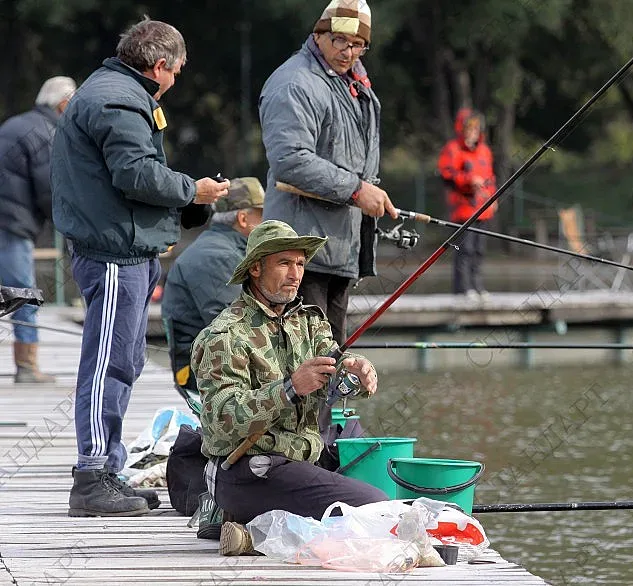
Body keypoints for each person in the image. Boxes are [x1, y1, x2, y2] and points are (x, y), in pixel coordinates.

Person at [51, 17, 229, 517]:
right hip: (112, 255)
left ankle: (108, 468)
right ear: (159, 65)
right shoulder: (119, 98)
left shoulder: (115, 90)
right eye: (177, 72)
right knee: (107, 361)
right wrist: (194, 191)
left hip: (126, 250)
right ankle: (90, 476)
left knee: (124, 362)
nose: (175, 82)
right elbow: (135, 173)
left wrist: (183, 197)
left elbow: (133, 170)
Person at [191, 220, 385, 556]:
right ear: (255, 268)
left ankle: (256, 535)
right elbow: (220, 419)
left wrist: (355, 371)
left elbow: (334, 364)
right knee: (375, 506)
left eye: (299, 264)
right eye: (284, 263)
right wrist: (289, 388)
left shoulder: (308, 320)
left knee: (376, 476)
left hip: (304, 459)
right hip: (250, 470)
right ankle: (259, 529)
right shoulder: (224, 336)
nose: (295, 274)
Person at [259, 0, 397, 348]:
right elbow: (289, 159)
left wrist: (365, 192)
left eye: (358, 45)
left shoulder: (353, 82)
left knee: (328, 367)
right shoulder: (295, 82)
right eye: (339, 40)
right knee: (303, 364)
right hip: (300, 253)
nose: (348, 52)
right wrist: (356, 190)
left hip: (338, 250)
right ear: (318, 35)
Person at [161, 177, 265, 412]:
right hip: (202, 381)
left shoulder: (222, 248)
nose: (267, 223)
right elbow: (236, 330)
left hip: (210, 370)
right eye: (262, 216)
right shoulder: (219, 257)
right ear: (243, 218)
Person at [0, 76, 77, 383]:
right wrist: (72, 226)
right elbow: (50, 190)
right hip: (10, 224)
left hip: (7, 219)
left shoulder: (15, 124)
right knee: (23, 294)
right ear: (63, 104)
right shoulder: (49, 132)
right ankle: (27, 366)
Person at [438, 108, 498, 302]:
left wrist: (493, 197)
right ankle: (462, 289)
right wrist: (469, 179)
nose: (472, 131)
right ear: (461, 129)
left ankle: (477, 286)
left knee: (479, 250)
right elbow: (446, 175)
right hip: (462, 210)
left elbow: (490, 178)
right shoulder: (452, 149)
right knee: (465, 249)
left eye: (475, 128)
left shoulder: (485, 151)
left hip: (483, 209)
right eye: (468, 128)